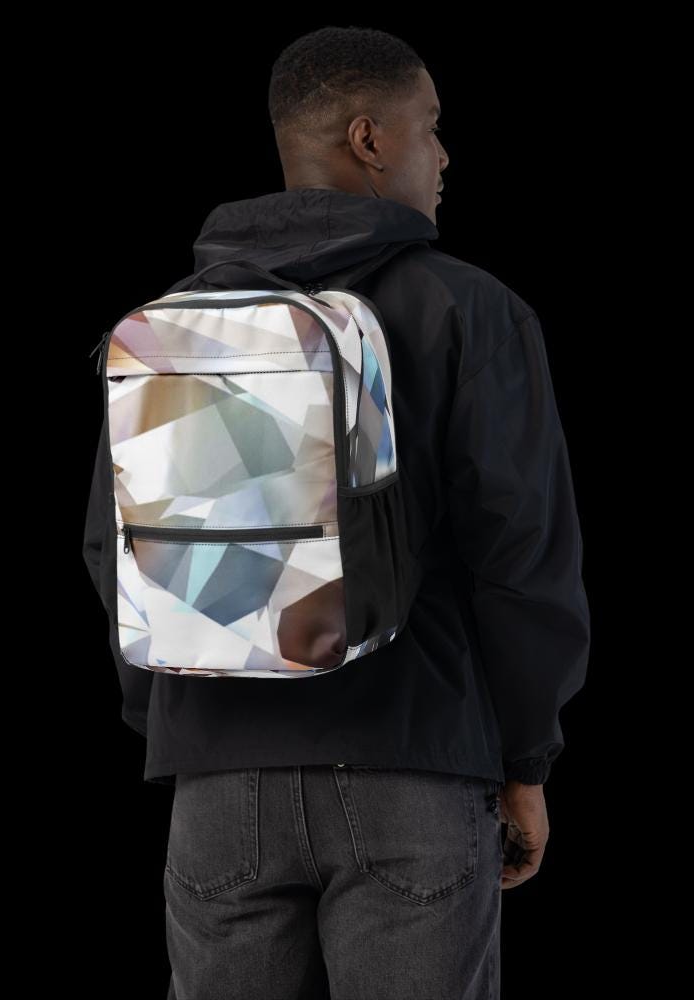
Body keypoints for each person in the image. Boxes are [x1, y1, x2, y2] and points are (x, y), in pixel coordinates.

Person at [82, 24, 590, 1000]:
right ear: (369, 139)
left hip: (216, 784)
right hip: (414, 765)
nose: (444, 155)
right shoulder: (468, 308)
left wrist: (178, 726)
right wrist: (526, 758)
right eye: (430, 126)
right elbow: (522, 557)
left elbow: (113, 549)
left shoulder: (170, 322)